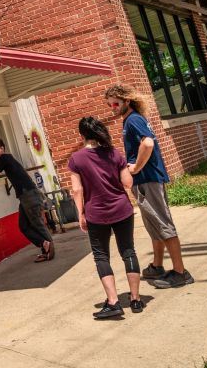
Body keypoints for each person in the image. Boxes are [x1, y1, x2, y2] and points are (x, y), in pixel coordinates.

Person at [105, 83, 194, 288]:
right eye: (110, 105)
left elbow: (148, 144)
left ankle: (181, 272)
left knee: (162, 223)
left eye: (116, 103)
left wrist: (135, 167)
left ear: (127, 101)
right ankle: (157, 265)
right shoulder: (132, 119)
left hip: (148, 179)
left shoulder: (134, 119)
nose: (113, 108)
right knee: (155, 225)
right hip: (146, 180)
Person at [69, 117, 142, 319]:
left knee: (101, 256)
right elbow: (127, 183)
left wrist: (80, 213)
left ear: (82, 135)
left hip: (96, 213)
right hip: (122, 209)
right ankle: (135, 300)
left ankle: (113, 302)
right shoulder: (114, 153)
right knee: (128, 251)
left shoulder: (76, 159)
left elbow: (76, 190)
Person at [0, 139, 54, 262]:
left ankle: (49, 251)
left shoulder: (4, 158)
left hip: (28, 195)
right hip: (26, 195)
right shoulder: (7, 159)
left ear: (2, 148)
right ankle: (44, 245)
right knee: (24, 226)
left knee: (37, 223)